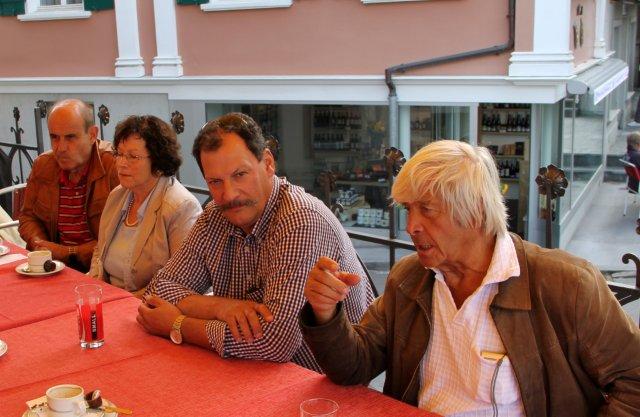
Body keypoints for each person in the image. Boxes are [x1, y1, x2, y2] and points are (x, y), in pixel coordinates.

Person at [300, 140, 640, 416]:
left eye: (427, 209)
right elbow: (353, 368)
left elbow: (634, 383)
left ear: (475, 210)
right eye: (408, 209)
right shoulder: (410, 279)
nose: (411, 226)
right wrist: (325, 313)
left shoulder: (567, 285)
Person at [137, 112, 374, 372]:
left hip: (320, 382)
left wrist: (178, 324)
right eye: (215, 182)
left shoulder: (301, 220)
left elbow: (276, 342)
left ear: (268, 163)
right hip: (247, 370)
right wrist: (221, 307)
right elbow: (157, 291)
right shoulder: (215, 216)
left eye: (240, 174)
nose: (229, 194)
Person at [89, 115, 202, 297]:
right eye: (119, 154)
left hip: (150, 306)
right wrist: (95, 289)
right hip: (110, 299)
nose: (121, 163)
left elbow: (182, 281)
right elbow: (99, 252)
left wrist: (124, 302)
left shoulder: (181, 207)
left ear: (157, 161)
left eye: (133, 157)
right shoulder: (117, 195)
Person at [19, 99, 119, 272]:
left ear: (92, 135)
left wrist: (67, 252)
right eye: (54, 137)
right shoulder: (43, 165)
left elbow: (124, 237)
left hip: (101, 271)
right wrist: (41, 246)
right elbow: (28, 217)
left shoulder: (114, 166)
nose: (61, 148)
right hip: (53, 269)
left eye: (70, 137)